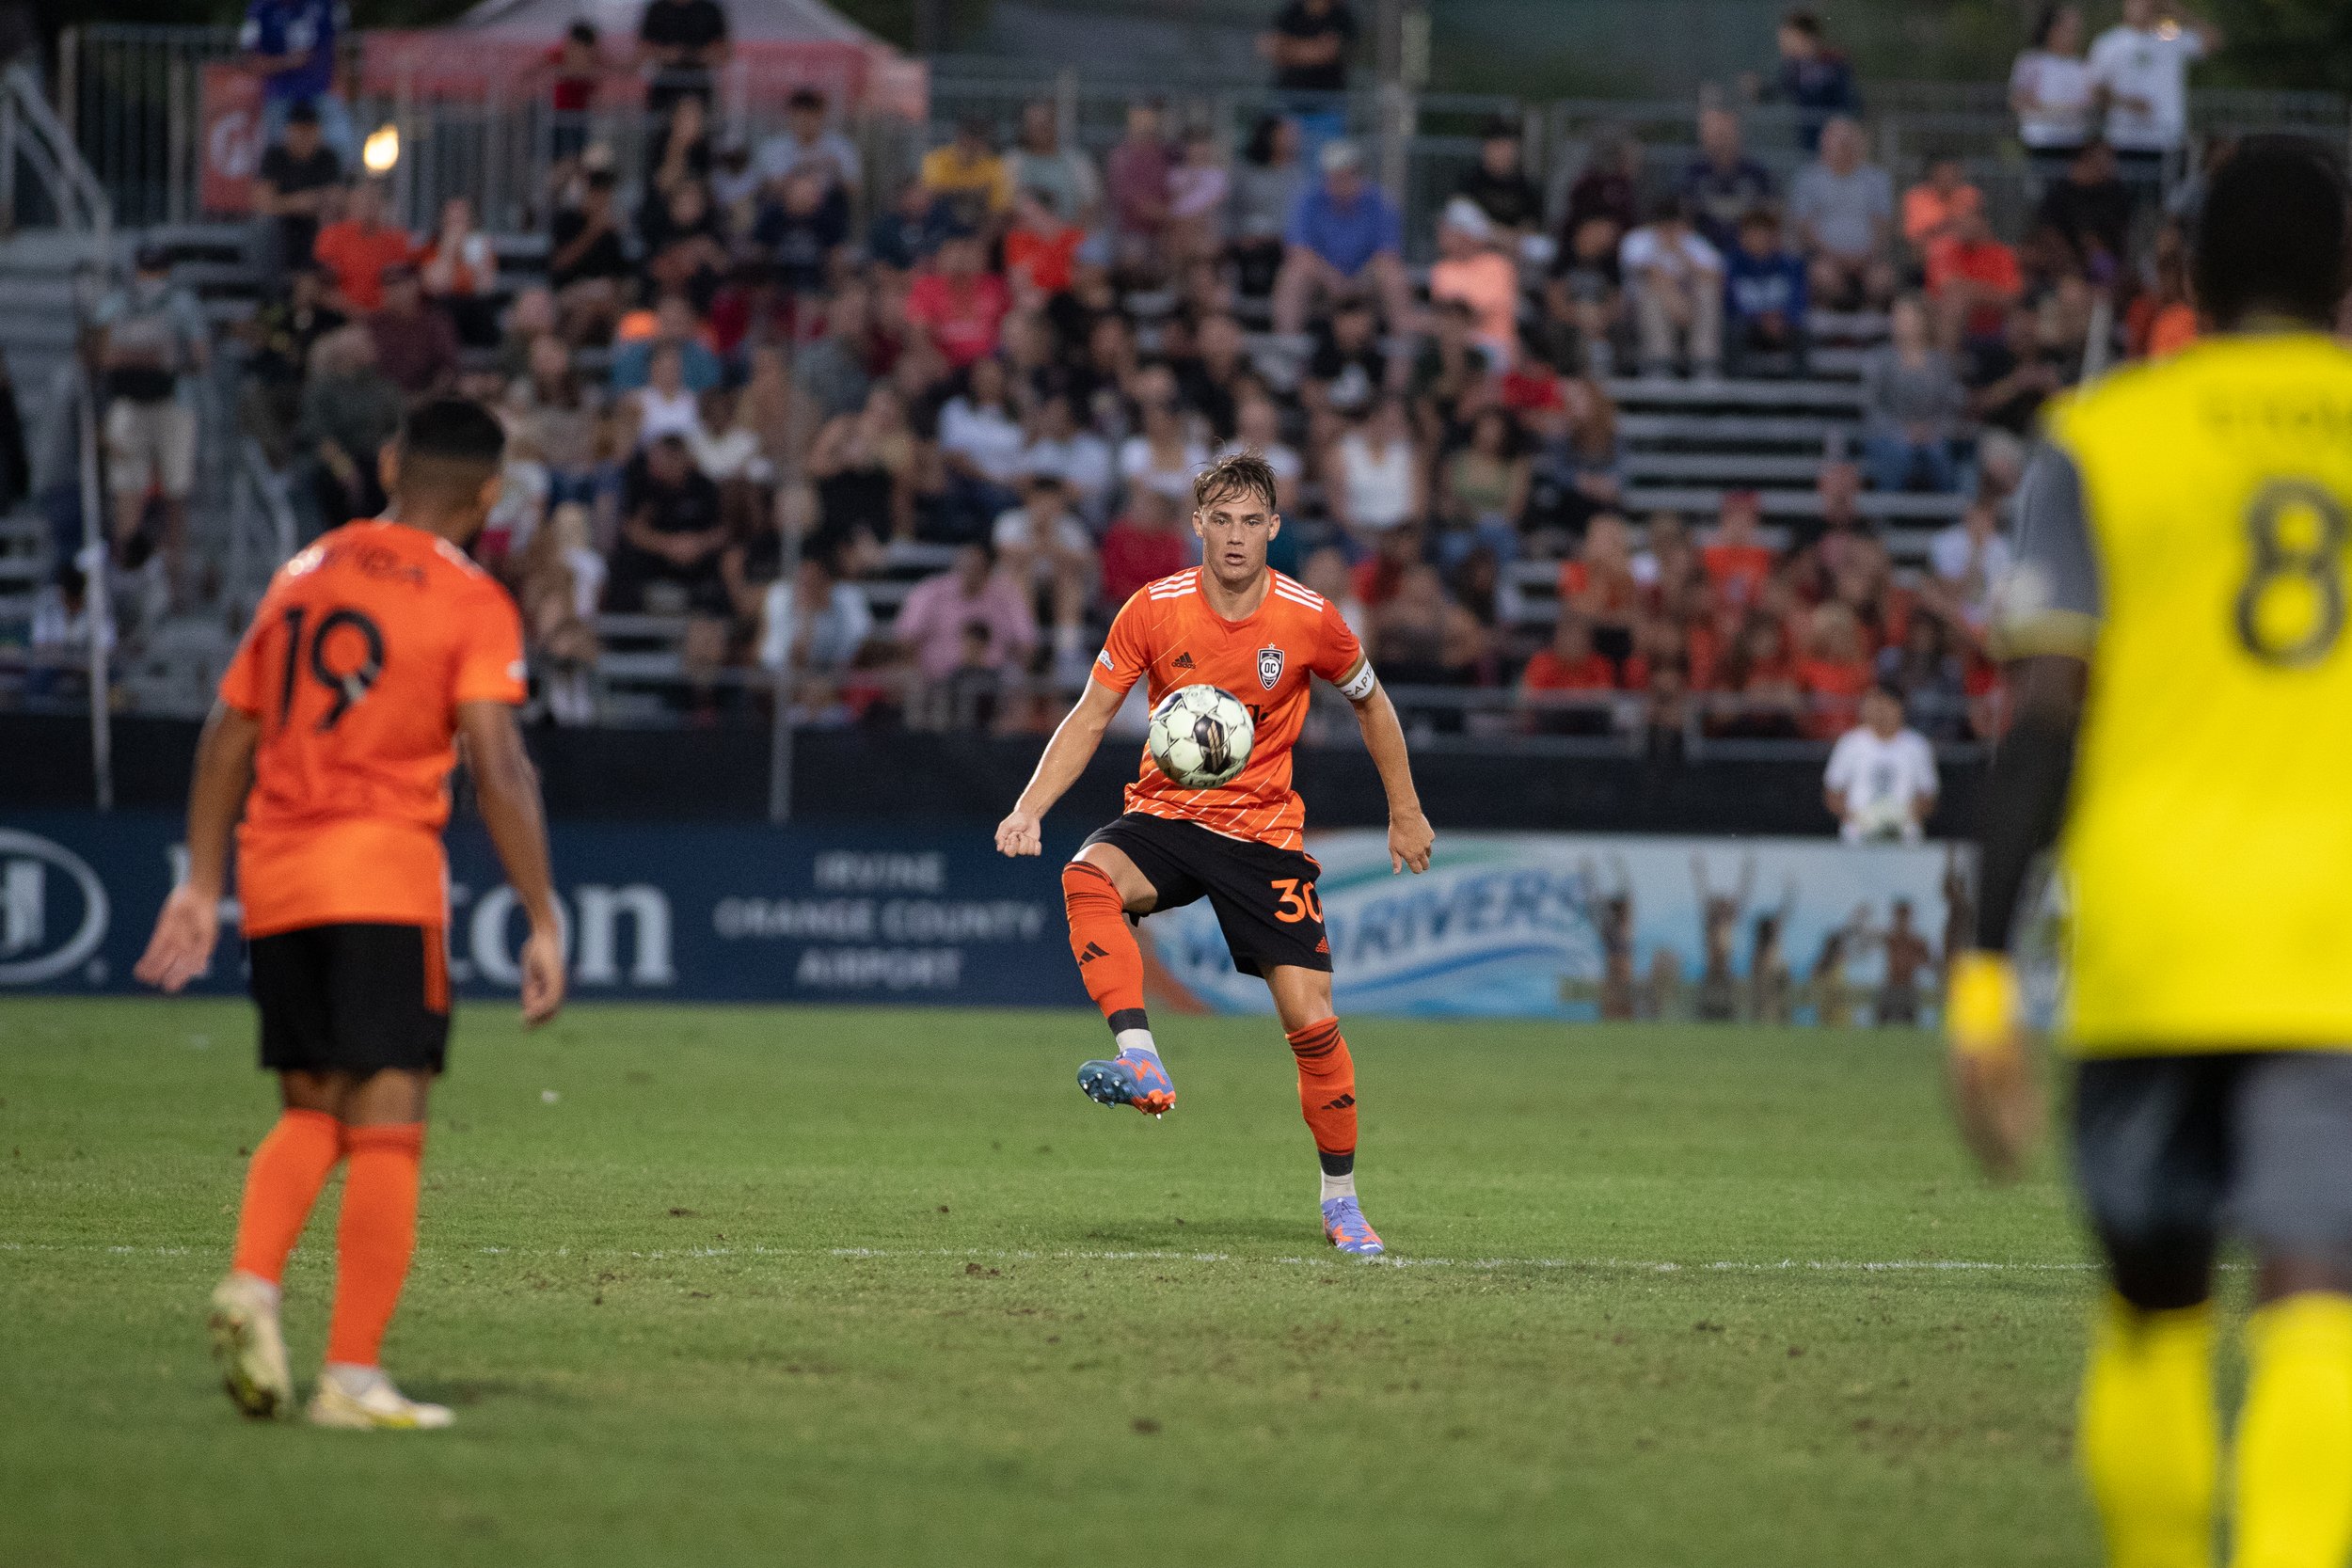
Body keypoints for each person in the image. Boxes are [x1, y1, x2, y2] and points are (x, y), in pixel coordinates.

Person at [1949, 139, 2352, 1568]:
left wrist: (1984, 975)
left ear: (2183, 275)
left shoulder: (2105, 438)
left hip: (2153, 938)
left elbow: (2042, 724)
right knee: (2319, 1299)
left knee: (2156, 1313)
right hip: (2336, 954)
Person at [134, 397, 563, 1430]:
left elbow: (226, 735)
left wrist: (199, 879)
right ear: (490, 495)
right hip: (380, 874)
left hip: (275, 876)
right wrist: (541, 912)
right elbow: (497, 761)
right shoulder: (470, 599)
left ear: (387, 461)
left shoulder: (303, 572)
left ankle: (251, 1278)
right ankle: (353, 1375)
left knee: (311, 1106)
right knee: (389, 1118)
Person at [993, 452, 1433, 1258]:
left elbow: (1372, 703)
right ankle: (1142, 1060)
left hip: (1263, 839)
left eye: (1250, 520)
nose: (1234, 537)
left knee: (1313, 1020)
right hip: (1166, 815)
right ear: (1197, 524)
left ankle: (1342, 1203)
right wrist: (1030, 806)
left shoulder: (1310, 618)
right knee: (1087, 874)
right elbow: (1092, 715)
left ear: (1274, 527)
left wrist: (1404, 809)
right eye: (1219, 519)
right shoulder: (1153, 609)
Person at [1273, 140, 1414, 338]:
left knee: (1393, 276)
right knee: (1293, 275)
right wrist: (1331, 278)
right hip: (1321, 279)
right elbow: (1299, 252)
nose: (1340, 182)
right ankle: (1287, 348)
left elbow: (1387, 254)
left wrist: (1358, 281)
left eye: (1347, 174)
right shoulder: (1308, 200)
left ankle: (1402, 351)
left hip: (1366, 277)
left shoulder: (1380, 202)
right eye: (1334, 176)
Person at [2087, 0, 2220, 186]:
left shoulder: (2169, 36)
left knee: (2167, 202)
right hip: (2124, 141)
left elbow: (2213, 41)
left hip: (2167, 141)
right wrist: (2126, 103)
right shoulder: (2109, 43)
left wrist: (2176, 10)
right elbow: (2095, 90)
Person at [1858, 294, 1964, 493]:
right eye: (1897, 316)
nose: (1901, 322)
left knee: (1938, 453)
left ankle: (1949, 515)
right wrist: (1903, 432)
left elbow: (1952, 406)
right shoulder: (1879, 360)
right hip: (1888, 434)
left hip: (1933, 434)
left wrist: (1931, 431)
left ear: (1922, 321)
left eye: (1907, 316)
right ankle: (1888, 514)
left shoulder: (1941, 363)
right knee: (1899, 453)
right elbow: (1871, 408)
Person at [1790, 116, 1896, 309]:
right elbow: (1805, 227)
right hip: (1825, 259)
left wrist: (1866, 256)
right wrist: (1835, 257)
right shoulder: (1808, 180)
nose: (1844, 148)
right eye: (1839, 143)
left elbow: (1882, 225)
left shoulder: (1877, 180)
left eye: (1849, 142)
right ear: (1825, 145)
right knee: (1822, 276)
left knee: (1882, 279)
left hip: (1868, 259)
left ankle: (1870, 328)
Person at [1620, 198, 1723, 379]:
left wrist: (1682, 253)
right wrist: (1675, 301)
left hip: (1689, 307)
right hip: (1642, 309)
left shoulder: (1691, 241)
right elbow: (1649, 274)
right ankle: (1659, 363)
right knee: (1651, 293)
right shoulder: (1638, 239)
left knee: (1708, 290)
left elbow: (1715, 276)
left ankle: (1704, 363)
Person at [239, 0, 353, 165]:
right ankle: (281, 187)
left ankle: (340, 186)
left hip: (322, 90)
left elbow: (340, 48)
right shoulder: (260, 9)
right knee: (275, 151)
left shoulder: (325, 5)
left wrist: (342, 86)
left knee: (340, 144)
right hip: (280, 93)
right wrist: (288, 62)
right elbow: (250, 60)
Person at [1821, 685, 1937, 842]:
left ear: (1900, 707)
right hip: (1857, 840)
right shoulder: (1850, 743)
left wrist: (1900, 818)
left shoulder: (1917, 746)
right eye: (1875, 705)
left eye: (1886, 705)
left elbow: (1928, 796)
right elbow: (1833, 793)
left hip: (1905, 840)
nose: (1880, 711)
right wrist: (1863, 819)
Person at [252, 101, 341, 280]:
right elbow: (263, 203)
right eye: (299, 131)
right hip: (282, 227)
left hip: (313, 225)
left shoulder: (327, 158)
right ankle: (271, 296)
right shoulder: (274, 156)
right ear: (288, 131)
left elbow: (335, 199)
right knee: (265, 228)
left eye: (309, 131)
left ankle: (317, 282)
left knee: (328, 223)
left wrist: (292, 202)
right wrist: (300, 202)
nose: (304, 137)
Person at [2010, 4, 2097, 185]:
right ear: (2053, 30)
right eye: (2069, 30)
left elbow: (2089, 102)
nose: (2074, 35)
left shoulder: (2083, 66)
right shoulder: (2031, 62)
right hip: (2042, 142)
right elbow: (2018, 100)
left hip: (2075, 143)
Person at [1723, 207, 1807, 375]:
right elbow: (1729, 304)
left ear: (1774, 237)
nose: (1759, 240)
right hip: (1749, 325)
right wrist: (1760, 319)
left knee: (1802, 332)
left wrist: (1782, 318)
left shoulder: (1790, 265)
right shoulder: (1730, 266)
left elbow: (1798, 300)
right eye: (1754, 235)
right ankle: (1736, 387)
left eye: (1764, 235)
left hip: (1781, 324)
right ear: (1743, 238)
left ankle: (1801, 389)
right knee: (1734, 331)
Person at [1678, 107, 1773, 254]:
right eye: (1715, 134)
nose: (1720, 140)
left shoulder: (1755, 173)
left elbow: (1771, 212)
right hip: (1703, 250)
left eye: (1724, 133)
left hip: (1749, 252)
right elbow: (1682, 217)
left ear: (1737, 133)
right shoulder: (1692, 173)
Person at [312, 182, 414, 317]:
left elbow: (405, 286)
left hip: (387, 318)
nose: (369, 204)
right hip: (341, 317)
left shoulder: (398, 239)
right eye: (363, 197)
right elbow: (325, 288)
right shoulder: (332, 236)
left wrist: (376, 316)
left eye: (375, 198)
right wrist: (356, 312)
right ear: (351, 201)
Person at [1763, 9, 1860, 151]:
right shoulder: (1793, 67)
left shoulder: (1833, 63)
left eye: (1786, 37)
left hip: (1835, 147)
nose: (1782, 43)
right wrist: (1758, 91)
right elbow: (1778, 91)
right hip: (1806, 146)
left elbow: (1847, 102)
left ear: (1801, 36)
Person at [1007, 100, 1101, 230]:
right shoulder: (1013, 161)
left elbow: (1090, 206)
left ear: (1055, 125)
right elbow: (1005, 210)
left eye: (1044, 125)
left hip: (1069, 237)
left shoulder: (1078, 162)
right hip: (1025, 238)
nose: (1039, 131)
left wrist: (1067, 236)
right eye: (1033, 125)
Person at [755, 87, 861, 199]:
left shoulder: (841, 146)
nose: (804, 122)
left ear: (822, 116)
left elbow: (854, 189)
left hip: (827, 206)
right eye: (799, 116)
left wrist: (836, 170)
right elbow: (772, 185)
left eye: (810, 116)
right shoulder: (774, 147)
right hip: (784, 206)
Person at [636, 0, 729, 120]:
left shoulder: (709, 10)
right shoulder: (657, 10)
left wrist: (693, 55)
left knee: (689, 113)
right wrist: (666, 54)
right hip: (664, 85)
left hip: (697, 85)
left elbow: (723, 54)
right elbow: (643, 51)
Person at [921, 117, 1014, 232]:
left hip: (980, 226)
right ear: (960, 136)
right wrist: (973, 191)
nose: (973, 143)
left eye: (979, 138)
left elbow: (999, 208)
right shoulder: (937, 159)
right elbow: (930, 192)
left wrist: (979, 244)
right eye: (970, 136)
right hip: (940, 224)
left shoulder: (995, 166)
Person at [1260, 0, 1358, 97]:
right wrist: (1313, 48)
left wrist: (1289, 48)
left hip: (1328, 97)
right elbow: (1271, 47)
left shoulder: (1341, 16)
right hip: (1287, 95)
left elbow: (1328, 54)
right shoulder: (1292, 12)